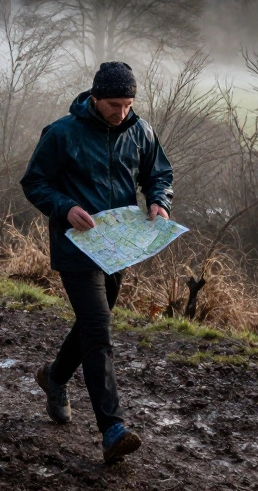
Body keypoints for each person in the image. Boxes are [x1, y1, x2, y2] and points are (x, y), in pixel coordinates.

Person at [20, 62, 173, 465]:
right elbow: (34, 182)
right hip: (76, 248)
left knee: (93, 323)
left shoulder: (141, 131)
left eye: (127, 104)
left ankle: (54, 378)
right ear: (94, 97)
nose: (121, 112)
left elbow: (158, 174)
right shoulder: (61, 133)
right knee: (99, 328)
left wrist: (160, 200)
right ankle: (112, 428)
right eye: (113, 104)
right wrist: (64, 207)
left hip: (119, 247)